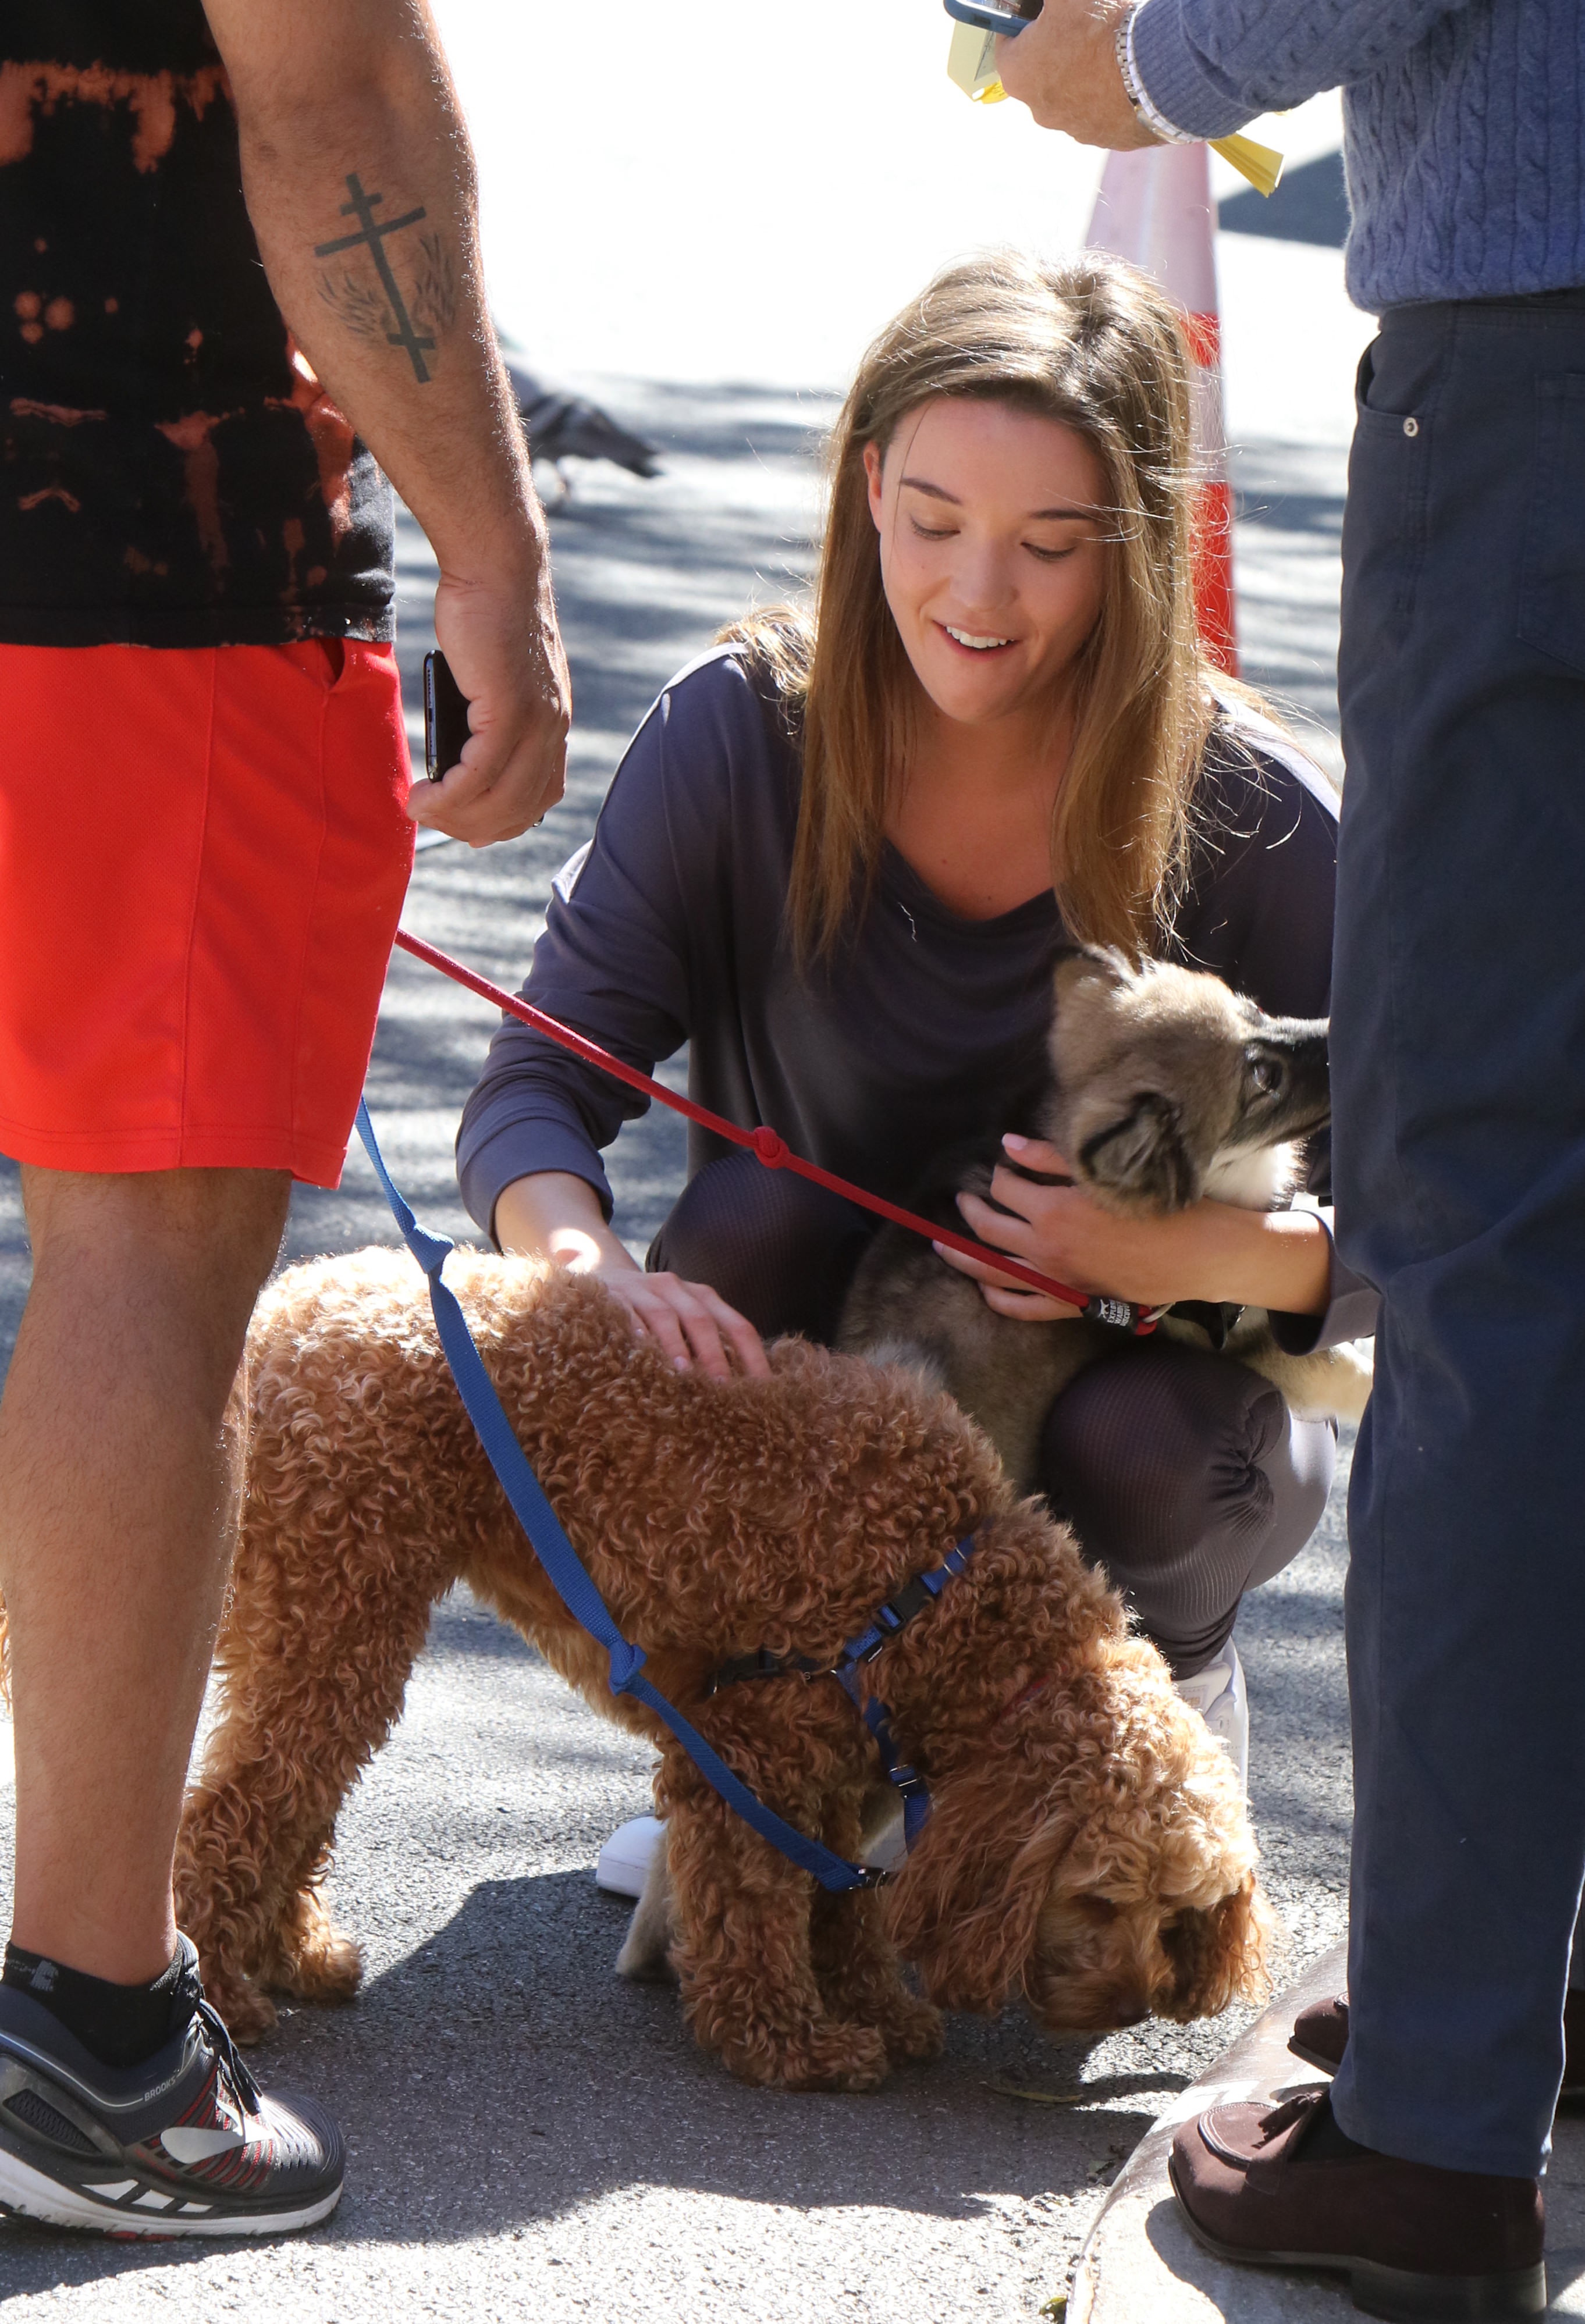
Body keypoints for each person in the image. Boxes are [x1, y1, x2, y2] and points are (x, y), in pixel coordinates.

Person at [457, 251, 1374, 1877]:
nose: (977, 595)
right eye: (935, 520)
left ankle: (1158, 1691)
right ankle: (771, 1726)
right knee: (734, 1237)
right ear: (867, 487)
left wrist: (1162, 1260)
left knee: (1148, 1446)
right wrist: (581, 1262)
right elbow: (537, 1082)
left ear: (1138, 546)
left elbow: (1444, 1221)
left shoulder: (1253, 809)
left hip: (1154, 1390)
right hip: (832, 1387)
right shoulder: (738, 732)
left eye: (1048, 545)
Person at [993, 3, 1585, 2316]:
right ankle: (1503, 1978)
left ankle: (1436, 2117)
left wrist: (1139, 52)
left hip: (1538, 363)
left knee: (1492, 1263)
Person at [0, 0, 568, 2236]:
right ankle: (90, 2034)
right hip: (128, 542)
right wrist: (491, 550)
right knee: (144, 1248)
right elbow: (321, 87)